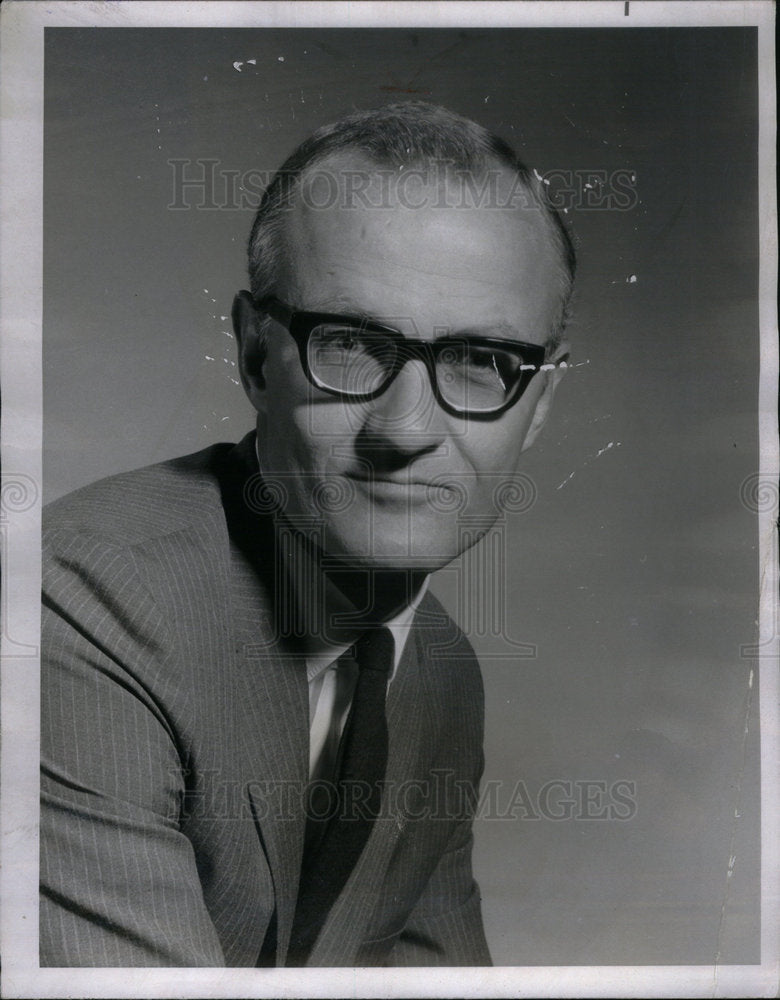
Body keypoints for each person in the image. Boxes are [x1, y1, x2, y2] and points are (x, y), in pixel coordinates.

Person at [40, 101, 575, 967]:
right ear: (256, 356)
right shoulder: (78, 606)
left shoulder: (439, 672)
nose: (404, 431)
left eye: (481, 361)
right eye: (353, 344)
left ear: (538, 404)